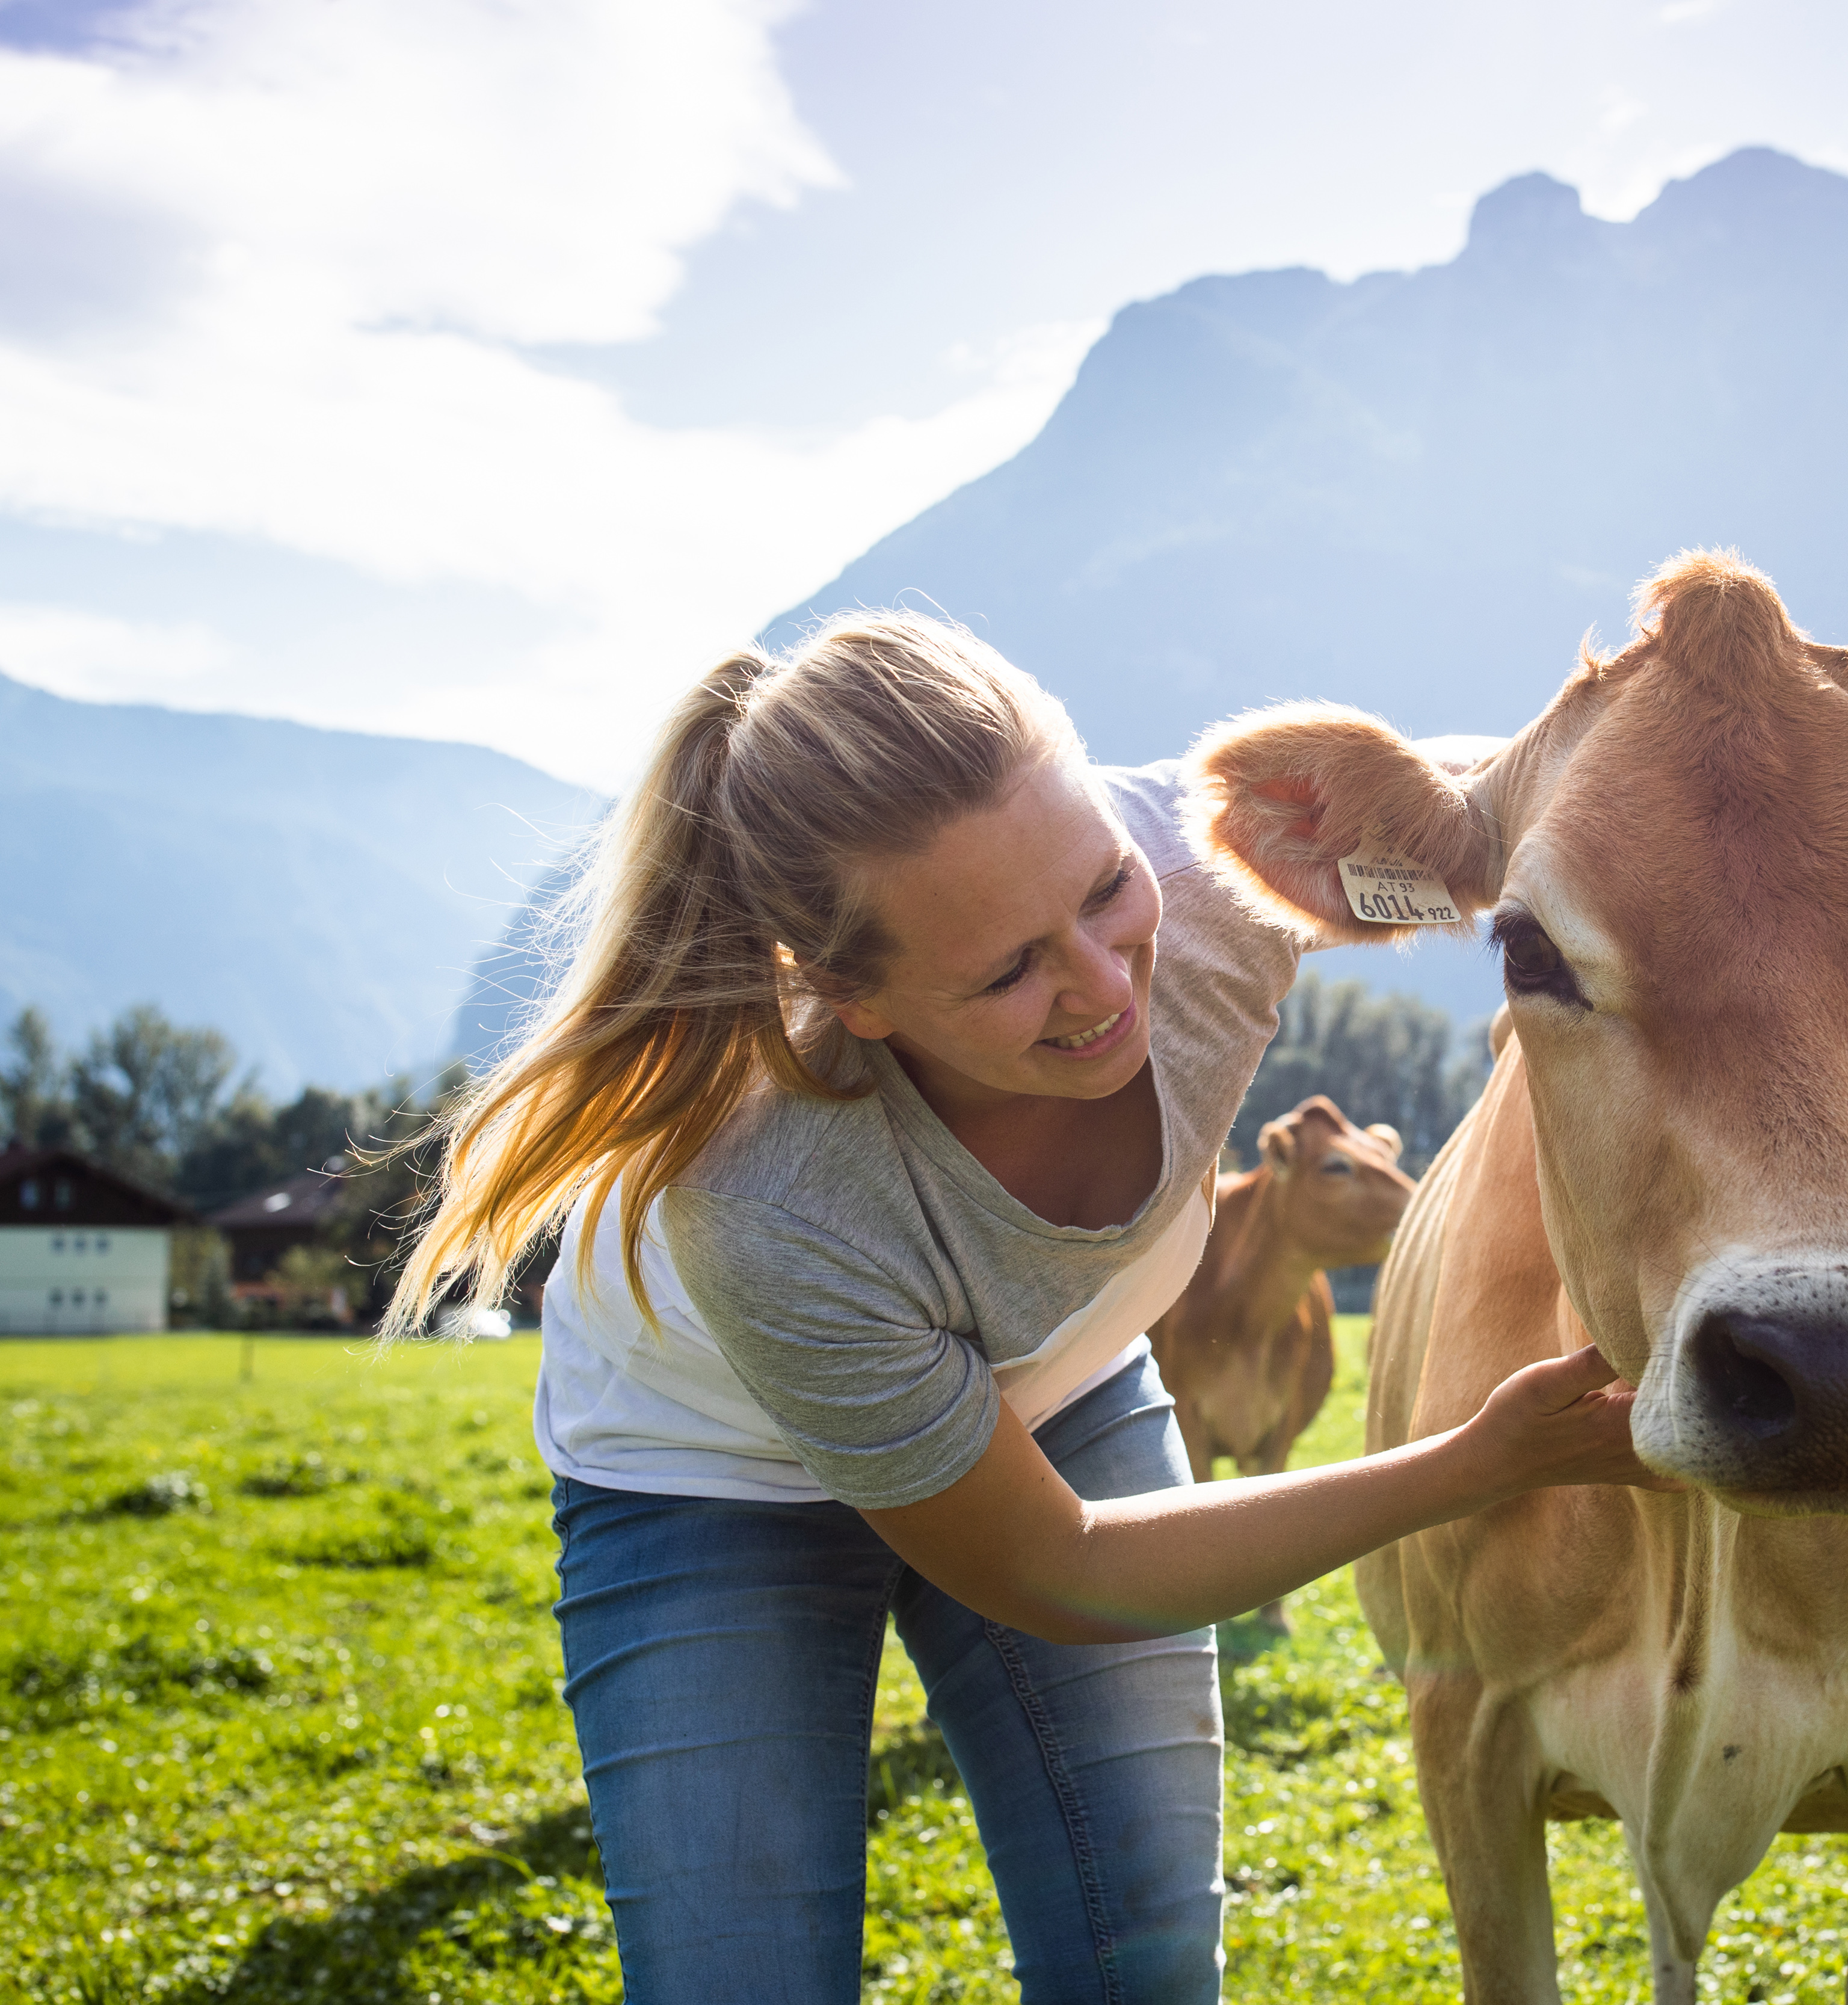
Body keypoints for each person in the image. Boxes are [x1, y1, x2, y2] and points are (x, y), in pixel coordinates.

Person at [383, 613, 1651, 2005]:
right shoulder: (769, 1199)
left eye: (1105, 888)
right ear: (852, 996)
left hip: (1062, 1384)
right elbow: (1062, 1565)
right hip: (713, 1479)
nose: (1105, 985)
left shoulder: (1219, 865)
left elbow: (1553, 812)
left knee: (1144, 1968)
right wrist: (1478, 1460)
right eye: (1006, 972)